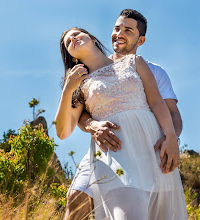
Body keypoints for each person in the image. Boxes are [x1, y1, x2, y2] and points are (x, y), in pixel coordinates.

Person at [55, 24, 187, 219]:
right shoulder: (79, 84)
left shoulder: (135, 62)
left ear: (92, 38)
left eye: (77, 34)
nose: (73, 39)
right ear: (72, 57)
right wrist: (67, 90)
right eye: (68, 42)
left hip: (148, 147)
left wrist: (170, 135)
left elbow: (157, 102)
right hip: (113, 152)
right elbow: (63, 132)